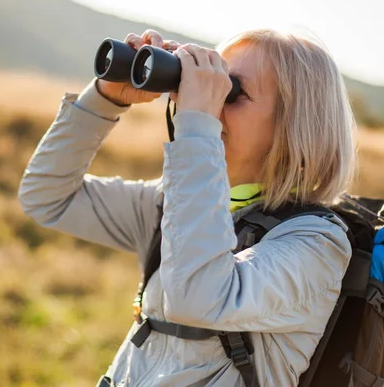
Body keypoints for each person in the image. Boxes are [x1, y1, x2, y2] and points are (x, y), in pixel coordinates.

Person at [18, 28, 357, 386]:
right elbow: (48, 197)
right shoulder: (172, 204)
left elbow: (198, 296)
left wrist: (198, 126)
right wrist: (107, 99)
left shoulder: (316, 243)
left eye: (231, 91)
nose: (211, 100)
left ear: (294, 125)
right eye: (209, 83)